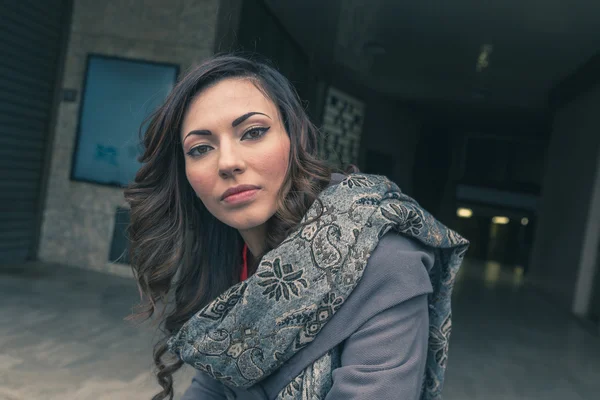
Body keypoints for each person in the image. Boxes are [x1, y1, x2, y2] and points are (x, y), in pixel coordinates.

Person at [125, 54, 469, 400]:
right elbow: (213, 385)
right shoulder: (228, 256)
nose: (228, 162)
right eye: (200, 149)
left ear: (295, 136)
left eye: (254, 132)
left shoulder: (385, 258)